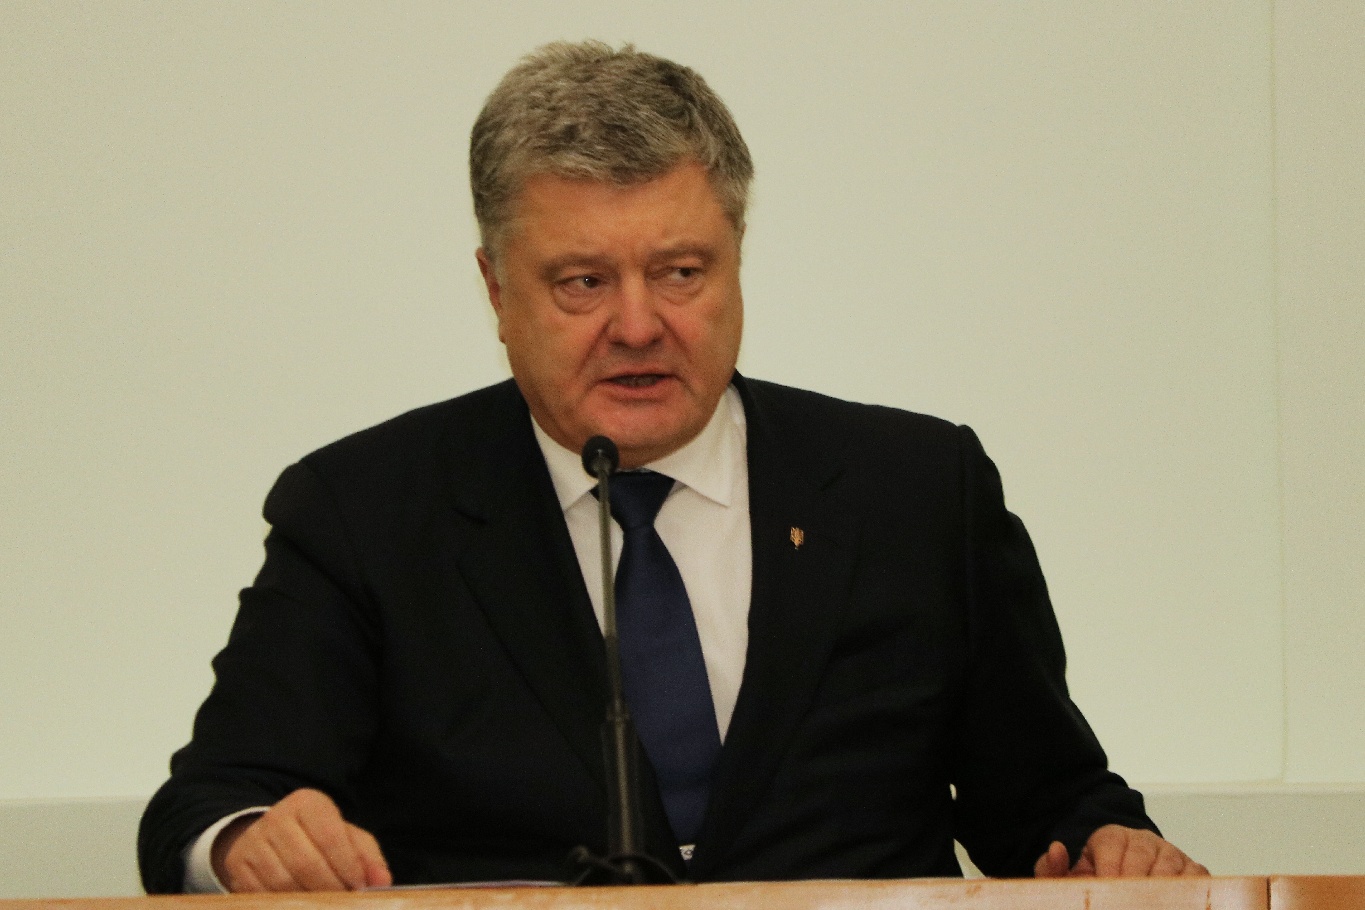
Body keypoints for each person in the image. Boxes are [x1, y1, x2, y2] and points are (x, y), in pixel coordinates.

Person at [138, 40, 1207, 894]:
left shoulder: (917, 491)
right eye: (582, 282)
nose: (639, 325)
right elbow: (209, 806)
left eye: (681, 271)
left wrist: (1110, 845)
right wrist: (248, 844)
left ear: (737, 260)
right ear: (496, 290)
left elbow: (1050, 803)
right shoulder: (365, 511)